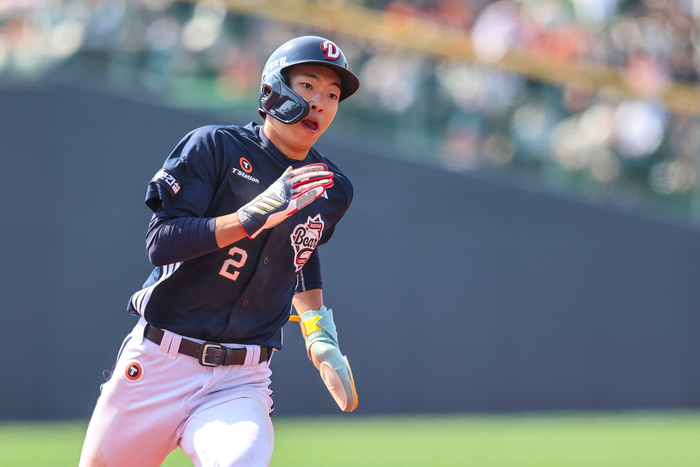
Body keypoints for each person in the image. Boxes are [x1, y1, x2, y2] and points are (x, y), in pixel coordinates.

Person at [79, 35, 360, 467]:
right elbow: (162, 242)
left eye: (332, 95)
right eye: (308, 85)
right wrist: (250, 216)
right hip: (159, 362)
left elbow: (302, 247)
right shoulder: (215, 146)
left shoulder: (332, 186)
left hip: (240, 380)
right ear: (272, 88)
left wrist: (317, 328)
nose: (319, 103)